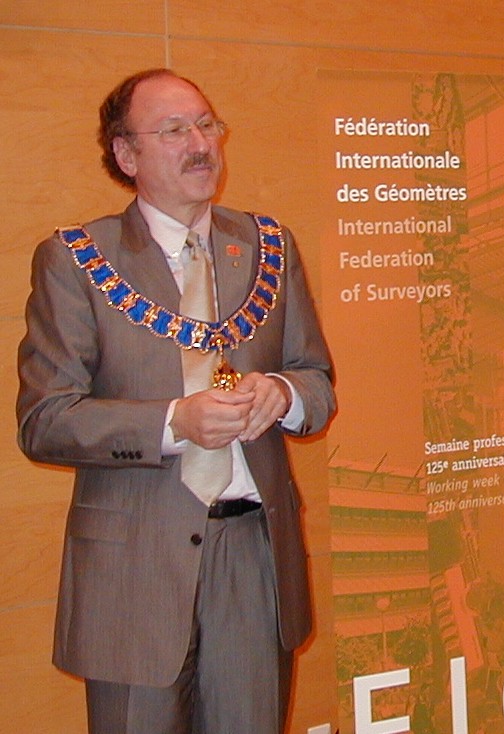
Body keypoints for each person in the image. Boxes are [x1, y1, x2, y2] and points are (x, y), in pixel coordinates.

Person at [16, 68, 336, 733]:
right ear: (126, 154)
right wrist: (172, 422)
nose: (199, 144)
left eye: (206, 124)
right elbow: (46, 420)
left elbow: (315, 378)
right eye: (172, 130)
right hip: (133, 565)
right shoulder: (76, 260)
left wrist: (281, 394)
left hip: (252, 554)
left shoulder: (268, 247)